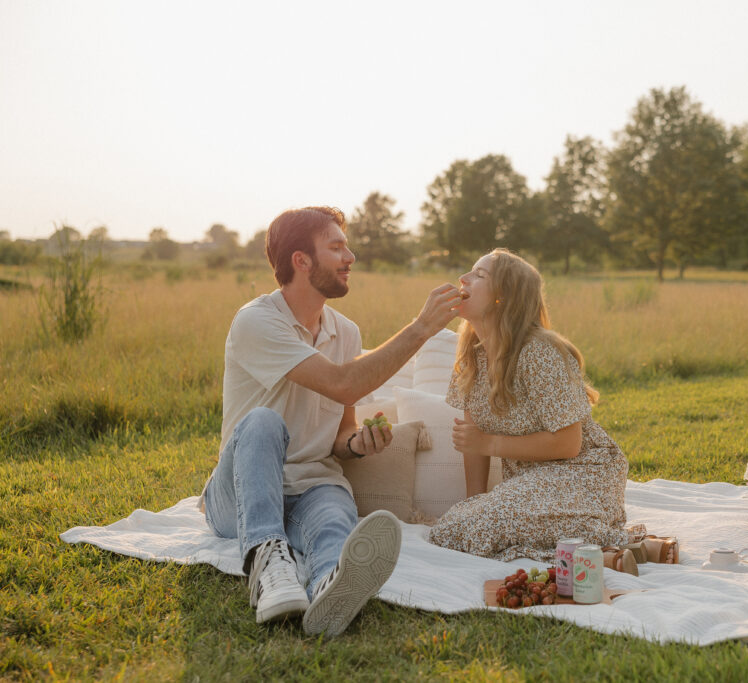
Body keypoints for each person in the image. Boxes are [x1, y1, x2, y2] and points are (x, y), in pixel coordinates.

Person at [200, 206, 460, 637]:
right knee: (263, 421)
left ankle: (328, 587)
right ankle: (269, 570)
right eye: (336, 247)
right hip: (242, 493)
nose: (350, 256)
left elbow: (341, 430)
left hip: (311, 485)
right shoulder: (257, 321)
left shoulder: (346, 332)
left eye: (347, 245)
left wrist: (357, 444)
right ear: (301, 261)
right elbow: (343, 384)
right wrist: (421, 329)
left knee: (335, 522)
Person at [427, 248, 628, 561]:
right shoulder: (471, 357)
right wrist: (475, 503)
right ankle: (603, 550)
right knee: (455, 526)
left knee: (475, 526)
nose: (463, 279)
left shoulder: (540, 352)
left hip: (582, 476)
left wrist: (488, 443)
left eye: (479, 275)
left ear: (502, 298)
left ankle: (617, 546)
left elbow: (569, 443)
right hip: (527, 486)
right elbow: (473, 443)